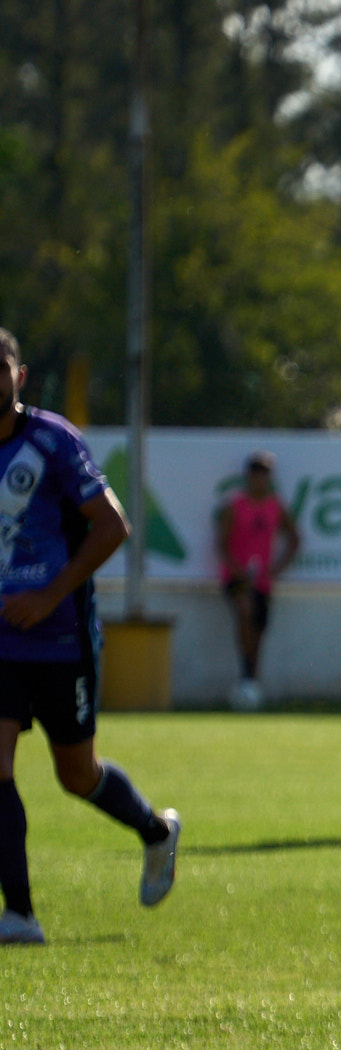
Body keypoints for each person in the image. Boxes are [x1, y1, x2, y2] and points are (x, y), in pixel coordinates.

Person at [0, 328, 179, 943]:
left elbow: (113, 525)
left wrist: (49, 595)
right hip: (1, 645)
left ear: (19, 377)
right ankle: (20, 914)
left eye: (0, 368)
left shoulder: (52, 441)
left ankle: (155, 830)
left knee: (75, 775)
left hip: (60, 638)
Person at [214, 450, 301, 708]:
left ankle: (252, 681)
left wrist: (278, 568)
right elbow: (222, 544)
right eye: (255, 475)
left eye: (265, 475)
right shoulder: (235, 505)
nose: (259, 480)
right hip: (237, 577)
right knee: (245, 611)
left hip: (263, 580)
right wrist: (236, 568)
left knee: (259, 629)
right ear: (248, 477)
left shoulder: (276, 506)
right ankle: (246, 675)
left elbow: (294, 539)